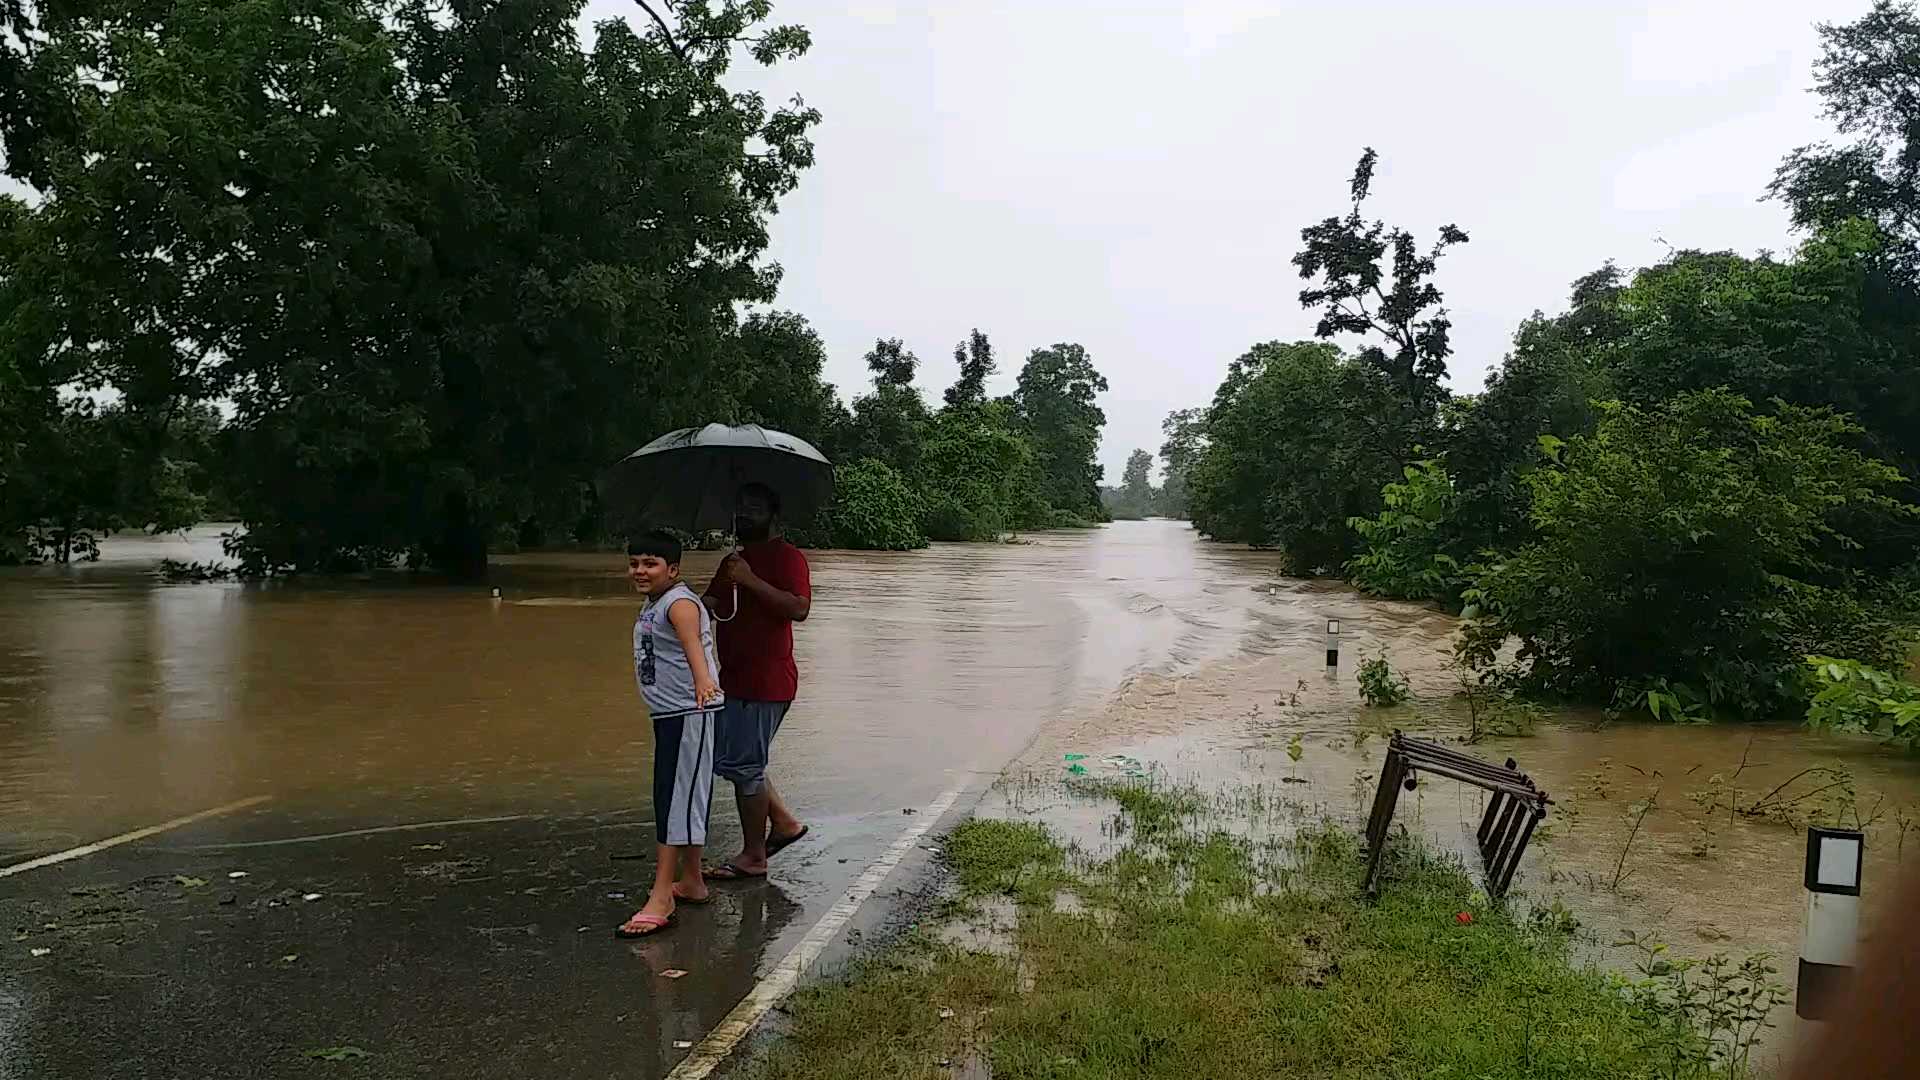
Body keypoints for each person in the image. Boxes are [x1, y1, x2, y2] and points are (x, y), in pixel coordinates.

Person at [703, 482, 812, 880]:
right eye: (741, 505)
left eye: (755, 506)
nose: (746, 513)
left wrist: (749, 580)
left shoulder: (788, 558)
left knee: (745, 767)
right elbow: (712, 605)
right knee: (732, 760)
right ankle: (783, 823)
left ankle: (754, 856)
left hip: (766, 682)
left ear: (773, 515)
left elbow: (799, 609)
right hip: (731, 679)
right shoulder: (734, 560)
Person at [616, 529, 721, 937]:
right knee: (683, 795)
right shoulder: (655, 602)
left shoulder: (678, 604)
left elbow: (693, 644)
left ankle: (662, 896)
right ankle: (691, 880)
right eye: (635, 563)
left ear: (672, 569)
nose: (640, 570)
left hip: (689, 713)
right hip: (670, 714)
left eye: (650, 563)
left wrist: (702, 682)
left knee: (672, 799)